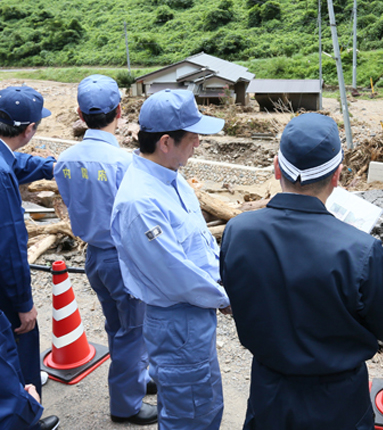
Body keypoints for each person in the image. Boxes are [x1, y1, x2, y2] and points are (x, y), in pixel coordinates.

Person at [220, 112, 383, 430]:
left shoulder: (238, 231)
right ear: (336, 176)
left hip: (269, 395)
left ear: (277, 167)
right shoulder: (360, 249)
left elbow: (237, 296)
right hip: (339, 403)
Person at [110, 89, 231, 430]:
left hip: (194, 311)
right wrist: (226, 299)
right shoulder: (141, 203)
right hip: (178, 318)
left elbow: (198, 241)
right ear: (165, 142)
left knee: (204, 400)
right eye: (193, 138)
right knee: (188, 412)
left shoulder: (171, 177)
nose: (197, 144)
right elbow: (174, 273)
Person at [54, 75, 157, 425]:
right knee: (133, 331)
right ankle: (126, 404)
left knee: (118, 326)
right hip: (124, 258)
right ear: (120, 110)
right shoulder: (125, 163)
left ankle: (136, 378)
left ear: (81, 115)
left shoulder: (64, 160)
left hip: (95, 257)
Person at [0, 85, 60, 430]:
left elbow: (17, 162)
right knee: (18, 340)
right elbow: (9, 245)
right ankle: (25, 416)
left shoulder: (4, 160)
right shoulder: (2, 177)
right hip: (3, 287)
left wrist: (48, 166)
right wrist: (24, 302)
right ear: (29, 130)